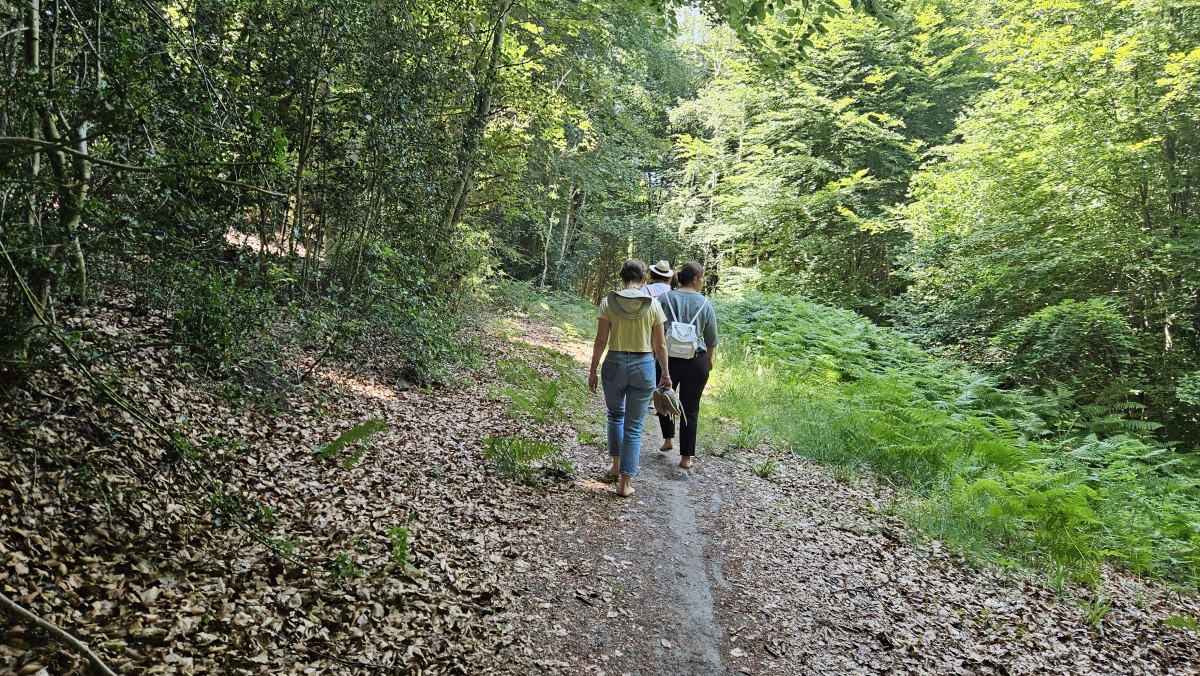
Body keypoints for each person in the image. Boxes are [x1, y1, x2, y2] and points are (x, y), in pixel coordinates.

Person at [588, 260, 673, 497]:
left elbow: (600, 341)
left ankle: (615, 466)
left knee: (615, 416)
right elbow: (661, 345)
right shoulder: (653, 305)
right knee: (634, 426)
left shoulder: (609, 302)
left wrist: (593, 370)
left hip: (614, 363)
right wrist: (665, 375)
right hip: (643, 365)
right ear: (644, 280)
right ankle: (625, 484)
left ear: (622, 277)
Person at [657, 261, 718, 469]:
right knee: (690, 409)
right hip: (696, 359)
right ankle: (686, 458)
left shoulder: (665, 298)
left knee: (664, 398)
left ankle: (668, 439)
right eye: (702, 278)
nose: (702, 282)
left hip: (668, 359)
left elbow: (655, 330)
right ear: (695, 279)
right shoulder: (705, 303)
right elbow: (711, 338)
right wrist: (708, 359)